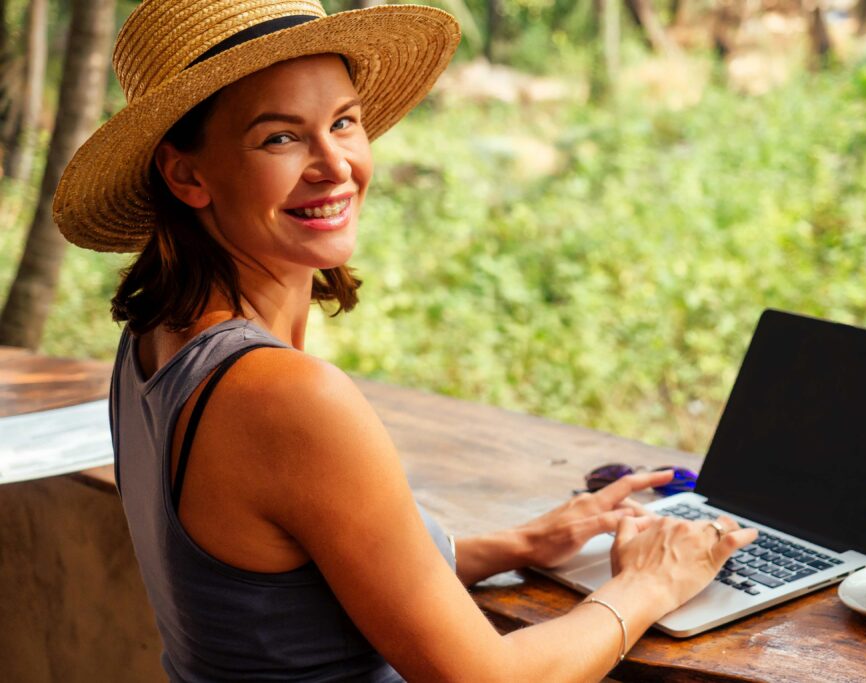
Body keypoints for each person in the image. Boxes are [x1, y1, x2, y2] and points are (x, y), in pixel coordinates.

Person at [54, 1, 757, 680]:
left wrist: (515, 545)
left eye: (344, 122)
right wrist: (650, 583)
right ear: (187, 173)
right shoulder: (281, 395)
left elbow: (282, 579)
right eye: (280, 136)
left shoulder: (154, 338)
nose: (334, 164)